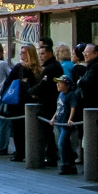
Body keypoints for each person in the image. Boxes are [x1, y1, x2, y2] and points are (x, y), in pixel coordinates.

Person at [4, 45, 42, 162]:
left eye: (24, 53)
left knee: (21, 129)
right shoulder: (26, 68)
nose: (21, 55)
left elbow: (8, 83)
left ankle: (21, 153)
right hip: (24, 103)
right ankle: (22, 152)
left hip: (21, 103)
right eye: (20, 53)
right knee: (21, 129)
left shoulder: (24, 68)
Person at [33, 38, 61, 166]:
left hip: (49, 102)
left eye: (43, 54)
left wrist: (30, 91)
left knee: (48, 131)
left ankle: (52, 155)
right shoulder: (49, 67)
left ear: (50, 53)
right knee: (47, 131)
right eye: (40, 54)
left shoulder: (51, 68)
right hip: (48, 101)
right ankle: (50, 154)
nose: (41, 56)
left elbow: (43, 85)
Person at [51, 73, 78, 175]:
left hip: (65, 125)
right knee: (65, 144)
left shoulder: (71, 95)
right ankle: (70, 163)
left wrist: (70, 119)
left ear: (66, 85)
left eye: (60, 83)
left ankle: (65, 164)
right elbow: (59, 108)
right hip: (60, 123)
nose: (57, 85)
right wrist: (53, 118)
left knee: (61, 144)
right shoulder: (60, 94)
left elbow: (73, 107)